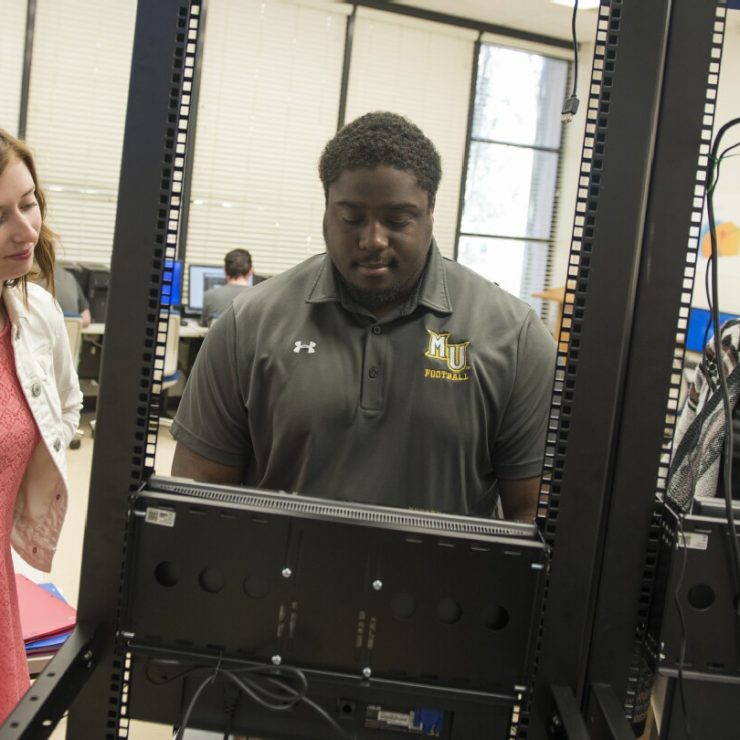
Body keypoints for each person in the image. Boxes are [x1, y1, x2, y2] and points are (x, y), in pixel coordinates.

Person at [171, 111, 555, 521]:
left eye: (397, 220)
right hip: (277, 581)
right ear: (326, 210)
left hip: (444, 584)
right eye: (351, 218)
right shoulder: (248, 324)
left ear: (430, 213)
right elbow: (201, 497)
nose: (372, 239)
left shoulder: (513, 337)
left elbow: (533, 512)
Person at [0, 129, 82, 722]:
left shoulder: (37, 315)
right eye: (0, 215)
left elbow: (67, 406)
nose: (26, 229)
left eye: (28, 203)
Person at [200, 248, 265, 326]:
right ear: (250, 271)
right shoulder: (260, 298)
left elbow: (204, 325)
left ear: (225, 270)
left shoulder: (209, 296)